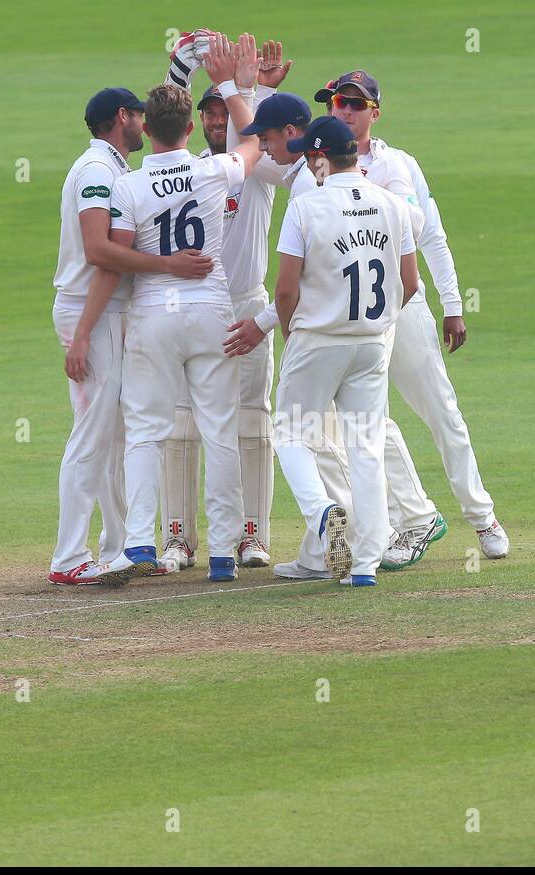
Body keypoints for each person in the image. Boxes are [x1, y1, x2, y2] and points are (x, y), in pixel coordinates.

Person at [67, 35, 266, 586]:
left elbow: (118, 259)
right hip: (213, 312)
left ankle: (137, 543)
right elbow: (255, 143)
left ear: (145, 129)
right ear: (188, 129)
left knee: (147, 431)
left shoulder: (128, 184)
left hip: (154, 317)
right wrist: (231, 86)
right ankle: (224, 554)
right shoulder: (212, 170)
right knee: (221, 430)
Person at [319, 71, 509, 568]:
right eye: (338, 103)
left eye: (354, 105)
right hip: (347, 317)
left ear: (374, 113)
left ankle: (483, 516)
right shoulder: (309, 167)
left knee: (440, 412)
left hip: (401, 308)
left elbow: (428, 231)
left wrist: (453, 304)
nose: (344, 111)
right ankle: (400, 525)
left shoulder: (397, 164)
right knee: (366, 423)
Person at [48, 87, 213, 585]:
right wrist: (167, 266)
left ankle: (119, 548)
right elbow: (99, 253)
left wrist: (181, 68)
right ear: (122, 118)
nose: (146, 124)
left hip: (103, 312)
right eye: (139, 116)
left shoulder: (113, 168)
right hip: (90, 313)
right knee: (94, 435)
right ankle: (67, 557)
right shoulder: (98, 172)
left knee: (116, 437)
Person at [251, 115, 418, 585]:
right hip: (371, 342)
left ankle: (323, 513)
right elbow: (410, 283)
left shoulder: (307, 207)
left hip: (318, 339)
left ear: (321, 160)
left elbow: (285, 291)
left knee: (289, 434)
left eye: (309, 155)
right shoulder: (392, 205)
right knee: (365, 449)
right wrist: (378, 326)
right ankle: (364, 567)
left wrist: (292, 334)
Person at [157, 44, 302, 572]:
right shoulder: (188, 169)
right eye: (210, 114)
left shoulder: (257, 166)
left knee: (249, 423)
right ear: (199, 123)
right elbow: (163, 117)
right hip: (190, 306)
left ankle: (252, 534)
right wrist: (182, 67)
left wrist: (255, 89)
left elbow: (280, 153)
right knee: (181, 425)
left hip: (245, 304)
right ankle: (177, 536)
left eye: (225, 112)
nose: (219, 120)